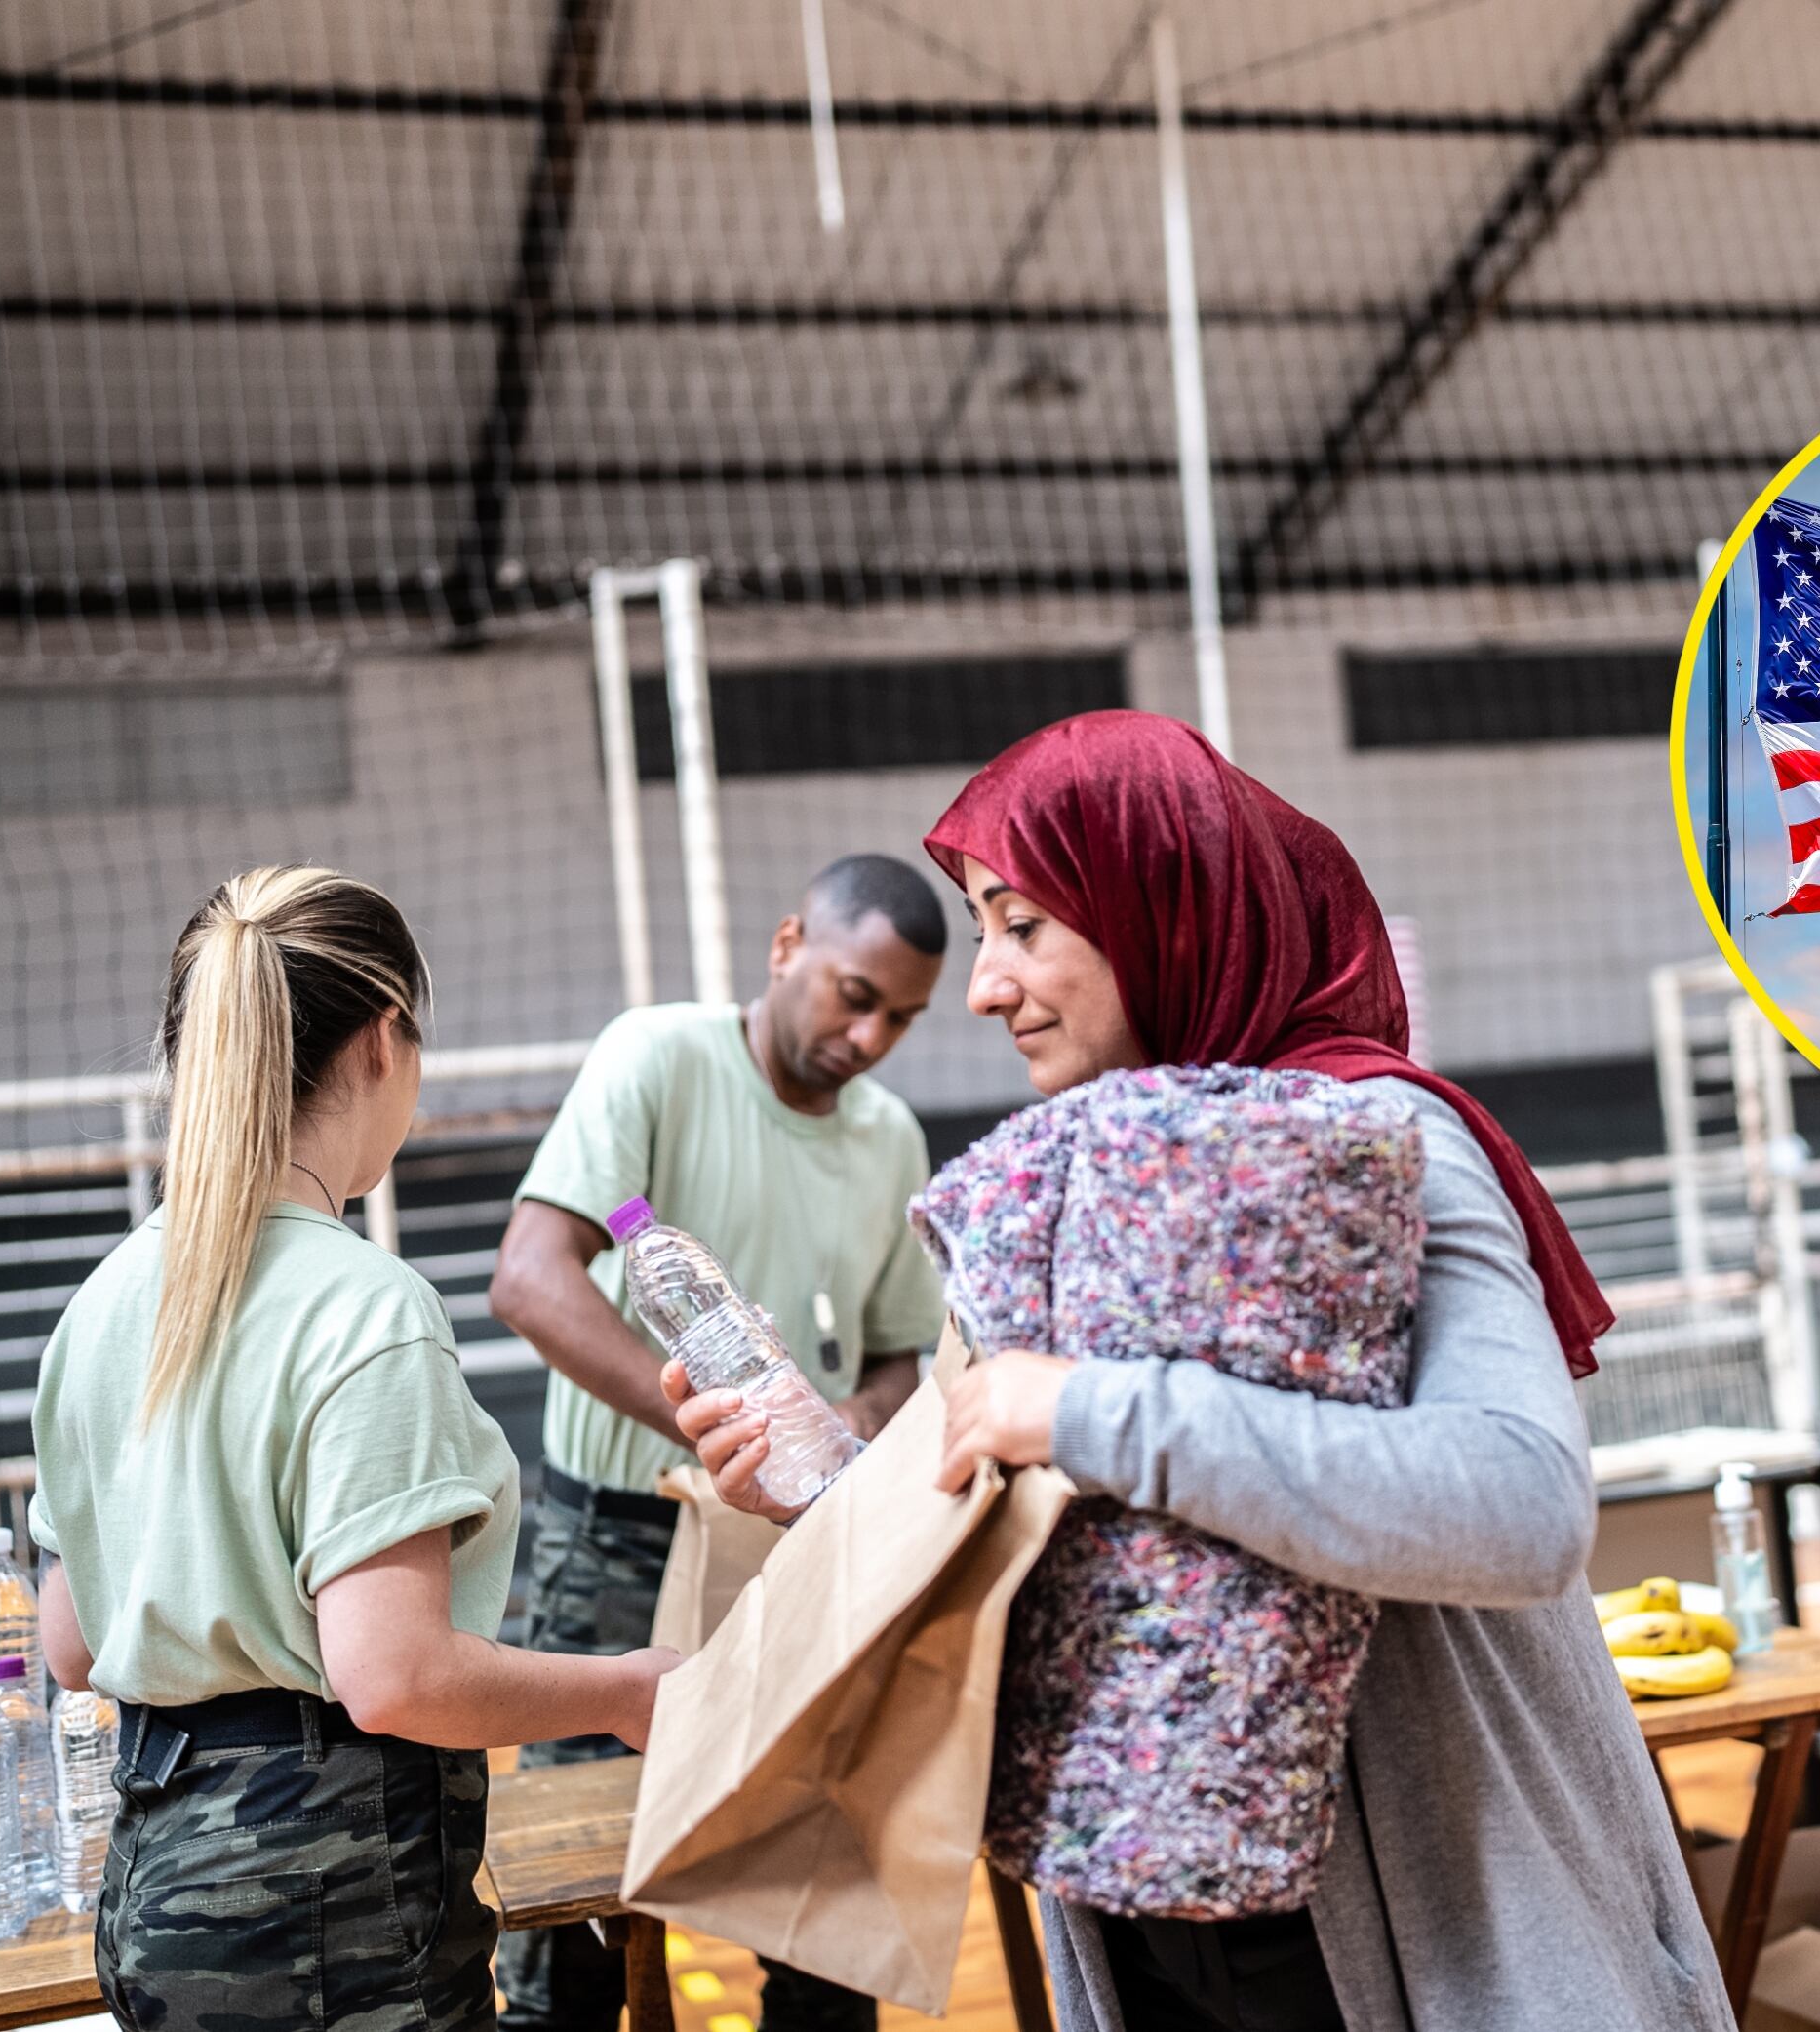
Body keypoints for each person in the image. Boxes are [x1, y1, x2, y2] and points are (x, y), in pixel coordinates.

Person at [672, 712, 1732, 2032]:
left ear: (1160, 900)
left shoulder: (1381, 1133)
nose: (987, 983)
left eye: (1024, 923)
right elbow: (1047, 1523)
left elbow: (1522, 1504)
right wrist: (834, 1491)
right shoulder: (1070, 1176)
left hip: (1418, 1915)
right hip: (1152, 1910)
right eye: (982, 928)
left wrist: (1084, 1405)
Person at [31, 866, 679, 2032]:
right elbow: (395, 1675)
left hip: (153, 1895)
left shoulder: (103, 1303)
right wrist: (629, 1690)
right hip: (329, 1912)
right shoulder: (365, 1306)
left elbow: (71, 1644)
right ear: (385, 1041)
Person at [487, 851, 951, 2032]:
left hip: (803, 1543)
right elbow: (532, 1282)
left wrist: (851, 1421)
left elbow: (901, 1355)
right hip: (622, 1532)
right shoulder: (658, 1054)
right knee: (584, 1879)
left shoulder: (892, 1136)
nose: (873, 1034)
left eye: (902, 1016)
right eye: (857, 993)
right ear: (788, 944)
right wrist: (711, 1418)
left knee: (820, 1860)